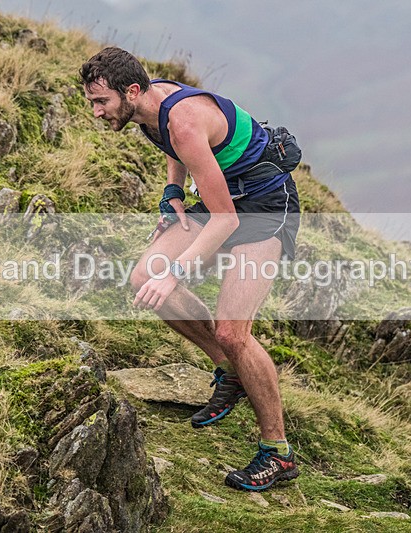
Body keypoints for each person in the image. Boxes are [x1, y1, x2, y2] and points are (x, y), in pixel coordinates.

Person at [80, 47, 301, 491]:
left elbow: (226, 220)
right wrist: (172, 191)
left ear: (132, 90)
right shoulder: (148, 109)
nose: (98, 113)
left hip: (262, 208)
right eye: (92, 104)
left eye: (101, 102)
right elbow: (175, 147)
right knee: (143, 276)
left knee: (232, 331)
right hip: (225, 198)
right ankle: (231, 372)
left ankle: (278, 454)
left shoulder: (181, 119)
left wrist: (175, 272)